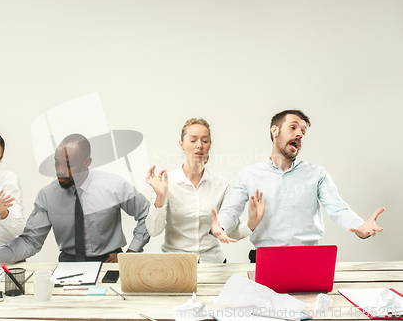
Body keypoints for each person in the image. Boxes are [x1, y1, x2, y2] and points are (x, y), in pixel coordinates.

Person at [0, 133, 150, 279]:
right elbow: (30, 242)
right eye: (57, 163)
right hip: (68, 267)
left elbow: (146, 214)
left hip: (110, 265)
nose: (61, 171)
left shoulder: (114, 185)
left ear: (87, 162)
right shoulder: (47, 196)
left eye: (69, 165)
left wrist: (131, 254)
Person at [211, 109, 384, 262]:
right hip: (266, 260)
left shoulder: (317, 174)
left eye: (303, 131)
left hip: (310, 259)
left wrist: (360, 227)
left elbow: (338, 209)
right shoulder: (248, 175)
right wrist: (221, 227)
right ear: (275, 131)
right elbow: (230, 212)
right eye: (293, 128)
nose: (300, 134)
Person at [146, 118, 266, 263]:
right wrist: (160, 198)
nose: (199, 145)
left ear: (210, 145)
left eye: (204, 140)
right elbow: (154, 230)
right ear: (181, 144)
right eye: (193, 140)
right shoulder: (165, 183)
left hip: (213, 264)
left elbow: (226, 232)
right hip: (176, 266)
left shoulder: (221, 185)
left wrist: (251, 224)